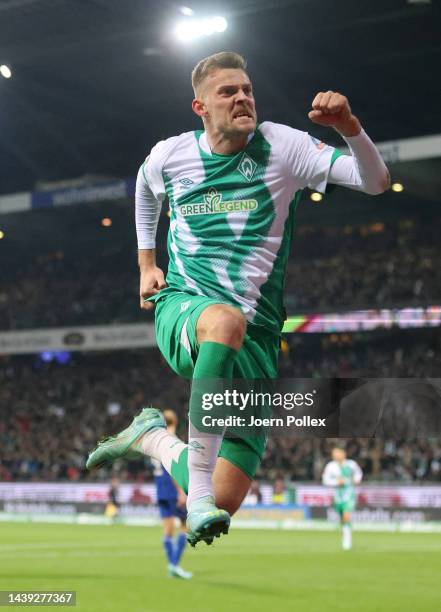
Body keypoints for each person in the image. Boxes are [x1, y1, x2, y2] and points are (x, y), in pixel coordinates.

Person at [87, 51, 389, 547]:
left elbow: (375, 183)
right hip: (185, 305)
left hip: (260, 336)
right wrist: (146, 264)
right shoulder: (171, 155)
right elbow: (144, 188)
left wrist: (350, 127)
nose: (243, 97)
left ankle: (151, 437)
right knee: (223, 322)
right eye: (228, 92)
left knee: (225, 500)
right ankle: (197, 494)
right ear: (200, 107)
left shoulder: (284, 146)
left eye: (247, 89)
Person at [153, 409, 192, 579]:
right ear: (175, 421)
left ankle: (172, 566)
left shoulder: (155, 441)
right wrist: (181, 492)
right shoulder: (172, 441)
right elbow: (174, 470)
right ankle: (174, 564)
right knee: (185, 527)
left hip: (160, 490)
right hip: (172, 490)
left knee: (168, 529)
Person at [322, 446, 363, 550]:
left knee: (346, 514)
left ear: (343, 453)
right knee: (342, 518)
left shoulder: (351, 464)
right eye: (333, 454)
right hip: (337, 494)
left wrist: (357, 480)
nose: (335, 455)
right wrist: (336, 482)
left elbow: (358, 474)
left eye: (337, 453)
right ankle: (345, 534)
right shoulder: (330, 466)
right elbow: (325, 480)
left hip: (349, 493)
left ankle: (347, 541)